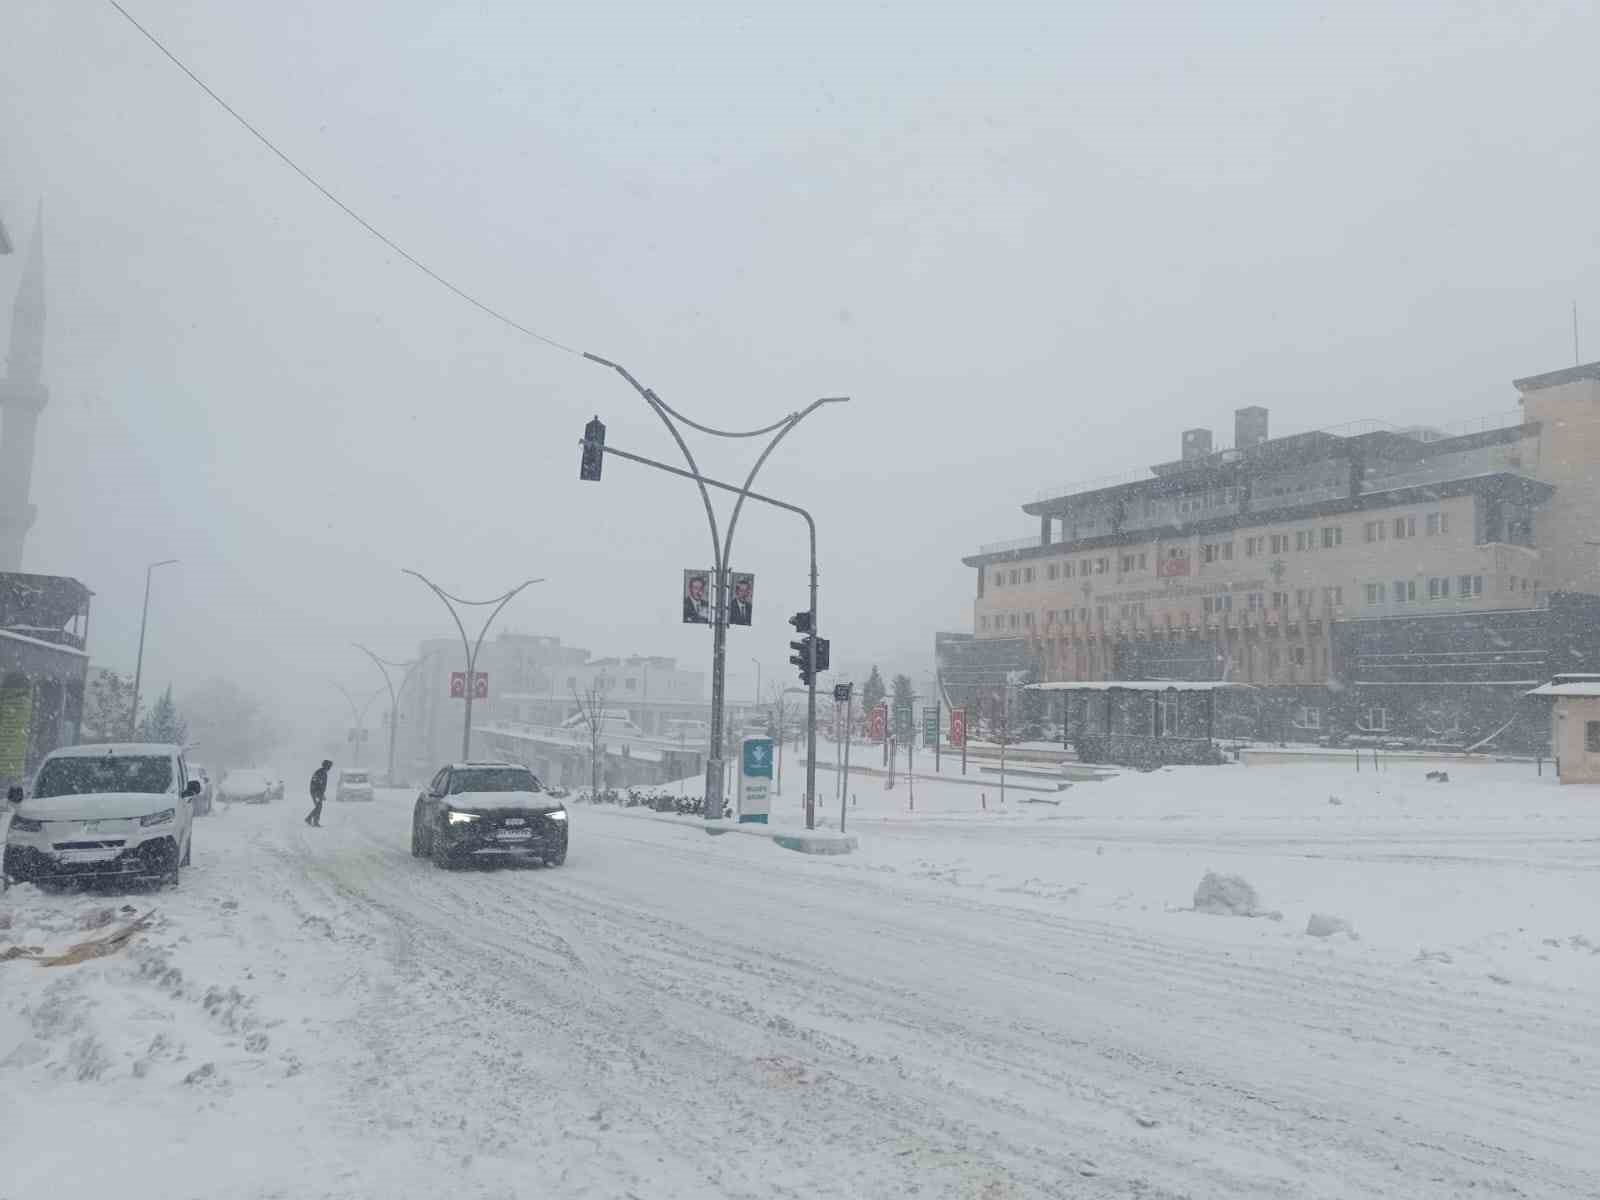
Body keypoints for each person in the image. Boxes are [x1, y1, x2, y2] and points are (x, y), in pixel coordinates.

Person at [306, 759, 331, 827]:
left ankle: (310, 819)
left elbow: (322, 785)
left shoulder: (323, 773)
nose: (330, 768)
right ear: (327, 766)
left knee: (318, 807)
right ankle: (314, 821)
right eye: (329, 766)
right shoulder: (319, 772)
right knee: (319, 807)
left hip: (318, 792)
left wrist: (322, 794)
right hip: (315, 792)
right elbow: (315, 782)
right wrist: (317, 793)